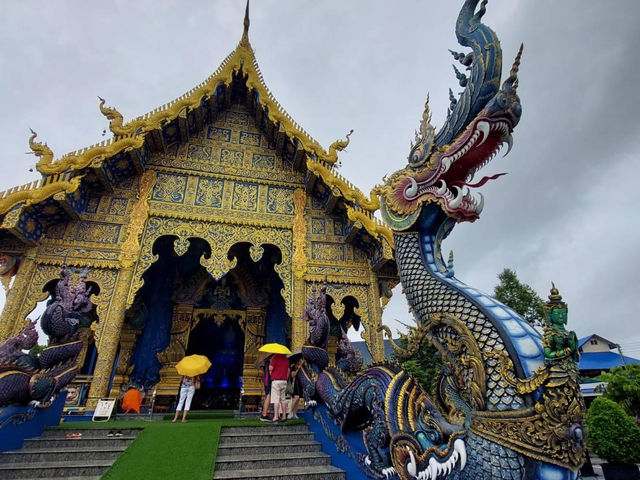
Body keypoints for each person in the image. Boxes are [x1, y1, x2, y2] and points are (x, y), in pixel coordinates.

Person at [268, 353, 289, 423]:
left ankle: (276, 417)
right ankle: (284, 416)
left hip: (276, 381)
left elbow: (270, 368)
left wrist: (271, 362)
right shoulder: (286, 359)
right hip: (284, 381)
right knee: (283, 399)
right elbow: (288, 370)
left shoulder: (275, 358)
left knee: (276, 399)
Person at [259, 355, 272, 421]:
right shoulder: (268, 363)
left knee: (268, 396)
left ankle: (264, 413)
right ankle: (264, 414)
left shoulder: (266, 362)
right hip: (268, 381)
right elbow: (270, 372)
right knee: (268, 396)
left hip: (267, 381)